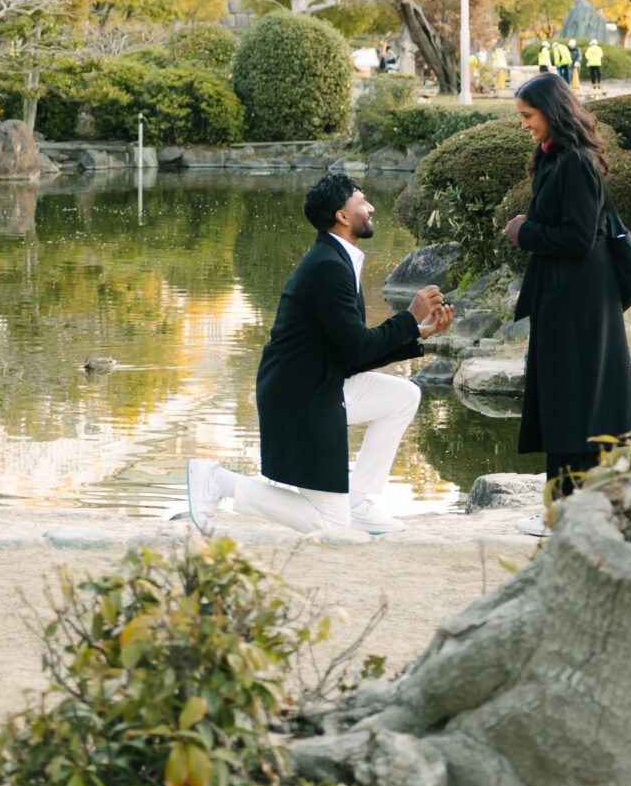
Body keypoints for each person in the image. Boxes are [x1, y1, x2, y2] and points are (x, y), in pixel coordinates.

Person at [187, 174, 454, 538]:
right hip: (301, 399)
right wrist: (408, 315)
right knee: (331, 524)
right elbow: (358, 348)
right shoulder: (327, 266)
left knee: (403, 396)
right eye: (362, 200)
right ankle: (217, 481)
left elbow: (353, 355)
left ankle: (358, 501)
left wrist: (418, 331)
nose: (371, 207)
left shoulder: (336, 259)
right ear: (342, 216)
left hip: (321, 386)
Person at [500, 72, 631, 527]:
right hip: (566, 295)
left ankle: (576, 514)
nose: (524, 125)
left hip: (581, 299)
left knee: (579, 402)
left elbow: (579, 238)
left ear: (551, 112)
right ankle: (563, 511)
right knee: (565, 402)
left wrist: (526, 232)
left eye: (528, 116)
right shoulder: (554, 156)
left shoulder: (575, 161)